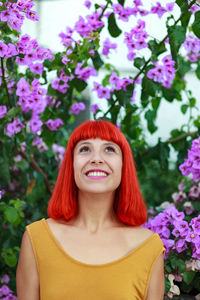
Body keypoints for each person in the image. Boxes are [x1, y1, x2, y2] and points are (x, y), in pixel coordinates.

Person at [16, 120, 165, 300]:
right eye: (85, 149)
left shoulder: (149, 247)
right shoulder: (36, 239)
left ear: (123, 166)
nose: (96, 158)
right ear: (71, 165)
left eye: (109, 149)